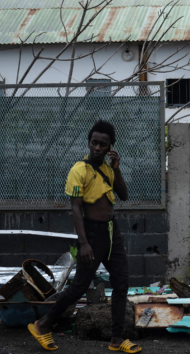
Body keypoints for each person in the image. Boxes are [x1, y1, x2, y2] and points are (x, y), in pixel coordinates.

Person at [27, 120, 142, 353]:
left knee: (121, 282)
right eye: (94, 143)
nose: (98, 147)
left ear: (110, 147)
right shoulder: (79, 170)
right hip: (90, 233)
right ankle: (42, 325)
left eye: (103, 144)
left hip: (112, 232)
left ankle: (117, 339)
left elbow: (123, 194)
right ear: (89, 143)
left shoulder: (109, 169)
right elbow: (76, 209)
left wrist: (117, 168)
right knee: (79, 286)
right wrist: (84, 243)